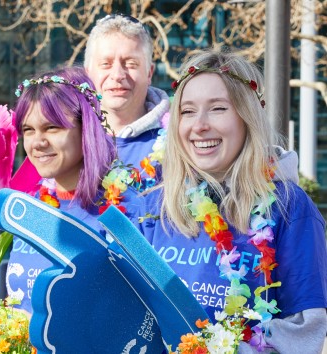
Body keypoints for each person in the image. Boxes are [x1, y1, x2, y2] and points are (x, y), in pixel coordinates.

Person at [0, 67, 146, 353]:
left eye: (52, 127)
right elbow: (18, 318)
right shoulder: (26, 207)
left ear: (86, 127)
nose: (38, 142)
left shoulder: (125, 210)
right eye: (28, 130)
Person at [138, 51, 327, 353]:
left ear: (247, 117)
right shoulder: (159, 204)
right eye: (187, 111)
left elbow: (303, 331)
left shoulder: (290, 208)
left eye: (217, 108)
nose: (199, 125)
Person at [85, 14, 170, 189]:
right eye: (106, 64)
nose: (117, 75)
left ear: (149, 73)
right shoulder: (63, 138)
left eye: (130, 63)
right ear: (88, 73)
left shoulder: (181, 139)